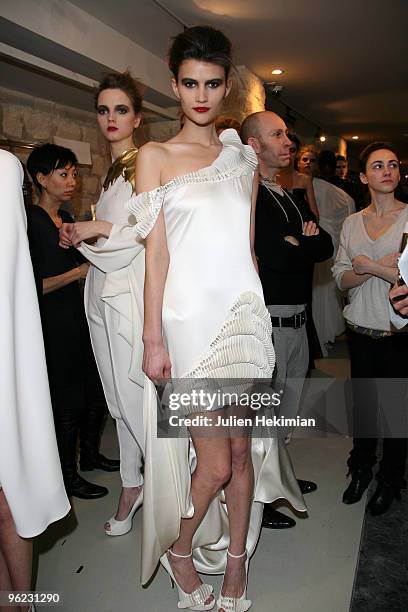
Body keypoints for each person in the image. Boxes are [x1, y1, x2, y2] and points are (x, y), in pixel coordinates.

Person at [124, 26, 306, 612]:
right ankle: (180, 549)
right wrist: (152, 336)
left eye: (212, 83)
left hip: (244, 316)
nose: (200, 95)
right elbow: (156, 253)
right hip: (188, 319)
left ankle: (235, 566)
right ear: (174, 86)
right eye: (189, 83)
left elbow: (248, 247)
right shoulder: (153, 157)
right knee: (215, 460)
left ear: (226, 87)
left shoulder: (242, 158)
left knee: (243, 449)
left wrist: (257, 313)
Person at [59, 71, 145, 536]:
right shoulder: (114, 172)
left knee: (136, 399)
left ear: (138, 116)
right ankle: (131, 484)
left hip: (128, 297)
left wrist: (95, 230)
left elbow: (146, 235)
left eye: (121, 109)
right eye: (103, 109)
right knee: (117, 399)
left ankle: (167, 492)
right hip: (102, 291)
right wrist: (81, 235)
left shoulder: (143, 163)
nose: (111, 118)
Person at [241, 111, 333, 530]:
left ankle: (281, 484)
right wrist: (301, 246)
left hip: (298, 318)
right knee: (264, 418)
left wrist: (303, 244)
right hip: (272, 320)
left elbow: (325, 246)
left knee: (284, 413)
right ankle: (260, 501)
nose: (288, 141)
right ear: (254, 145)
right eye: (277, 134)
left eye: (286, 133)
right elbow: (274, 258)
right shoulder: (251, 196)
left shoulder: (287, 192)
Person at [0, 150, 70, 612]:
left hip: (11, 348)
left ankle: (22, 602)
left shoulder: (5, 171)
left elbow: (15, 288)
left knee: (12, 491)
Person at [26, 144, 109, 500]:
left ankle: (89, 456)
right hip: (53, 324)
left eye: (74, 173)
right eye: (64, 174)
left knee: (95, 391)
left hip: (79, 319)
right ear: (41, 179)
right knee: (68, 402)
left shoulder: (68, 217)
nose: (72, 180)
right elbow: (32, 285)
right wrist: (79, 271)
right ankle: (66, 476)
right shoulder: (31, 221)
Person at [332, 142, 408, 516]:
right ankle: (359, 469)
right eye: (377, 166)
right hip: (360, 329)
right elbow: (341, 279)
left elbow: (403, 276)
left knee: (395, 411)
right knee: (364, 407)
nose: (387, 171)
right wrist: (365, 268)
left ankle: (390, 479)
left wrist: (368, 265)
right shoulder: (351, 222)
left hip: (398, 333)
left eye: (392, 164)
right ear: (364, 177)